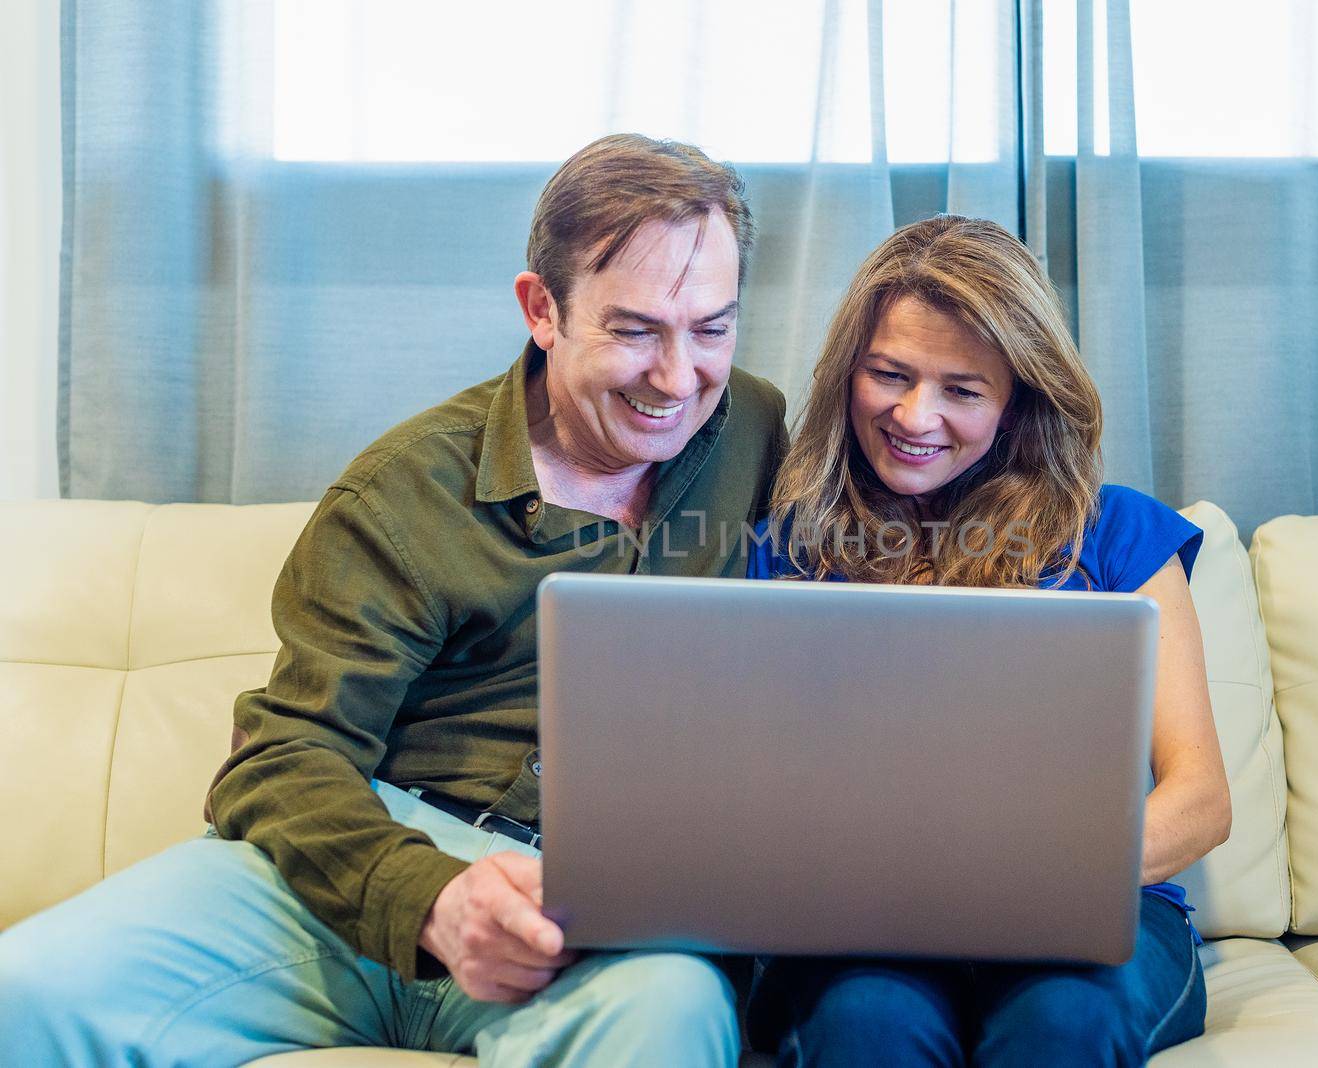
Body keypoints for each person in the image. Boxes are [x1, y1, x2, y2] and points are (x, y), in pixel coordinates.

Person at [0, 134, 787, 1067]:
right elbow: (285, 756)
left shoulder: (758, 434)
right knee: (25, 992)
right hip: (361, 858)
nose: (677, 376)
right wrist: (433, 899)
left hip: (585, 904)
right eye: (634, 330)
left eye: (712, 328)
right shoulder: (404, 490)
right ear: (542, 310)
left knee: (670, 1005)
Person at [743, 215, 1230, 1066]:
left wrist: (1026, 880)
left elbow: (1200, 801)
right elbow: (749, 798)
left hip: (1086, 912)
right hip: (865, 921)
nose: (913, 415)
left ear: (1015, 405)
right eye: (888, 374)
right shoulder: (788, 548)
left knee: (1063, 1022)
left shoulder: (1115, 534)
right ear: (846, 374)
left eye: (962, 390)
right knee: (866, 1024)